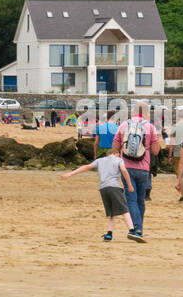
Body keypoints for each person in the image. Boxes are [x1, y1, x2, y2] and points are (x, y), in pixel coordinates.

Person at [61, 152, 145, 242]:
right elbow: (124, 170)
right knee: (125, 210)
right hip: (114, 187)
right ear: (115, 153)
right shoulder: (119, 160)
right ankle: (132, 231)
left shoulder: (99, 160)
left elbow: (86, 167)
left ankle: (109, 234)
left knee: (113, 213)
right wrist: (129, 185)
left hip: (103, 189)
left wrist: (70, 174)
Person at [113, 101, 161, 239]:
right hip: (144, 168)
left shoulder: (124, 125)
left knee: (131, 199)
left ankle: (136, 229)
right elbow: (156, 151)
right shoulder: (149, 127)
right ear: (146, 112)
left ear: (133, 111)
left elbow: (115, 146)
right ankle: (139, 229)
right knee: (140, 199)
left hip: (126, 167)